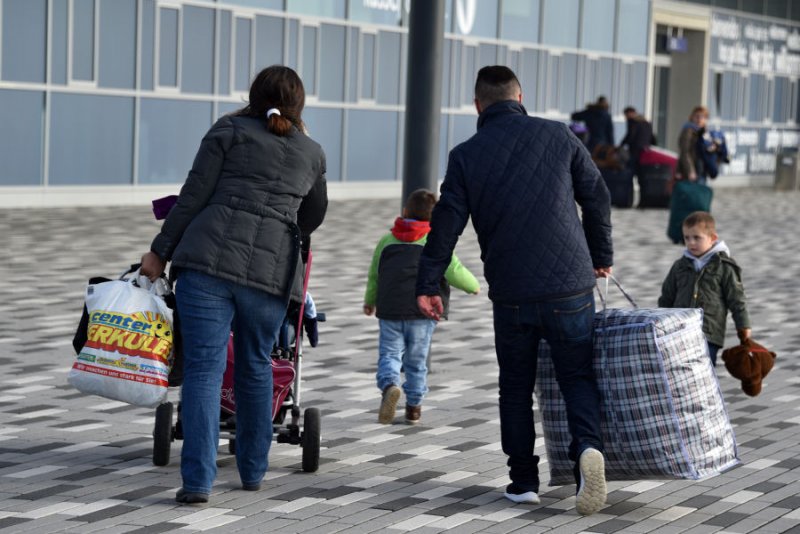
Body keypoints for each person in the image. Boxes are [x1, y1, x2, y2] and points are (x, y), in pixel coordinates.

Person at [416, 66, 613, 516]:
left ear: (477, 105)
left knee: (516, 387)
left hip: (512, 292)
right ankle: (587, 453)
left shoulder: (466, 154)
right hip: (570, 285)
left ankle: (523, 480)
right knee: (576, 377)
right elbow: (597, 196)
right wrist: (600, 253)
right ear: (520, 95)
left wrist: (429, 284)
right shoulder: (559, 136)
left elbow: (446, 224)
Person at [139, 65, 327, 505]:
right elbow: (313, 215)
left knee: (204, 369)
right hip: (268, 275)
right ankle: (253, 472)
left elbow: (193, 196)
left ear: (253, 95)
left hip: (205, 264)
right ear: (299, 104)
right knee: (256, 365)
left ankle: (198, 482)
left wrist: (159, 252)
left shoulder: (227, 131)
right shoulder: (312, 152)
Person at [364, 189, 479, 425]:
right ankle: (414, 408)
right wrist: (473, 286)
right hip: (422, 313)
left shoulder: (387, 240)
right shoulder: (433, 241)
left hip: (390, 310)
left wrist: (370, 300)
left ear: (405, 211)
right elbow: (453, 270)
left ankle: (389, 385)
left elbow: (375, 275)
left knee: (389, 353)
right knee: (416, 361)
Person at [658, 211, 751, 366]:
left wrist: (744, 326)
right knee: (680, 369)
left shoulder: (724, 266)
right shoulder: (679, 266)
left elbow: (737, 300)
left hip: (708, 333)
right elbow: (667, 297)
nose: (691, 242)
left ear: (712, 238)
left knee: (705, 371)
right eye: (687, 237)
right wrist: (662, 324)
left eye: (697, 238)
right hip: (679, 331)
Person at [678, 105, 712, 184]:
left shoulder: (705, 132)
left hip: (703, 169)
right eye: (697, 116)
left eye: (703, 117)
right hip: (694, 169)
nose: (699, 119)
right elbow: (685, 152)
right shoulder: (688, 131)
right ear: (692, 117)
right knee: (695, 193)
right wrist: (690, 171)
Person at [618, 106, 656, 173]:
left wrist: (621, 145)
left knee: (630, 170)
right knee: (641, 171)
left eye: (626, 115)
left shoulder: (633, 122)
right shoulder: (646, 123)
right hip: (645, 150)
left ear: (630, 113)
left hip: (635, 150)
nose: (625, 118)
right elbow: (652, 137)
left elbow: (630, 136)